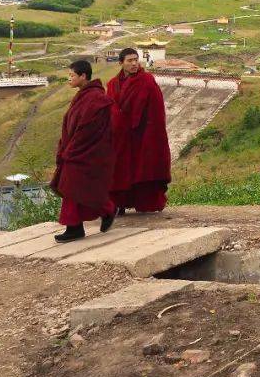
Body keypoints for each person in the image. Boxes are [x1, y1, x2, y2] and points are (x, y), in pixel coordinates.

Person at [49, 60, 116, 242]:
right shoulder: (83, 95)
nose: (69, 79)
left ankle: (76, 227)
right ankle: (105, 211)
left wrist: (71, 151)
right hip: (76, 150)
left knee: (72, 186)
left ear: (83, 76)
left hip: (88, 152)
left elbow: (88, 129)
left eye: (72, 75)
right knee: (79, 188)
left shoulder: (96, 98)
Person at [106, 47, 171, 214]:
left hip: (142, 134)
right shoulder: (113, 84)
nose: (134, 63)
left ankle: (145, 203)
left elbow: (156, 111)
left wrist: (152, 135)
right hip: (120, 135)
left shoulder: (147, 80)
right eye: (130, 61)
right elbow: (109, 109)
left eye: (136, 60)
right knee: (118, 170)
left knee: (141, 170)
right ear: (121, 63)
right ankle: (118, 204)